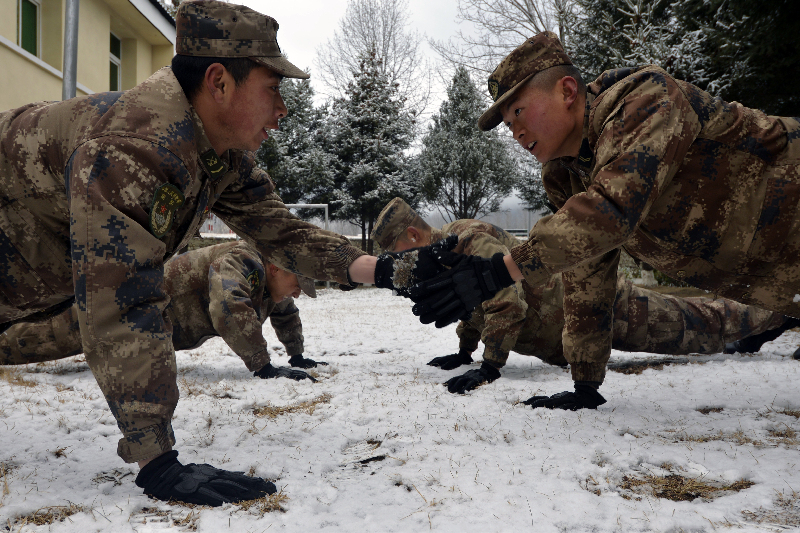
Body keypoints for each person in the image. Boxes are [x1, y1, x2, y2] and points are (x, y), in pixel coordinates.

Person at [0, 0, 451, 506]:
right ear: (219, 83)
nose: (283, 109)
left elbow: (284, 234)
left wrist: (389, 270)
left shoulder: (217, 156)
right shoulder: (135, 147)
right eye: (273, 88)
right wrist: (158, 462)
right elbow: (122, 299)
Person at [408, 31, 800, 411]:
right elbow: (586, 268)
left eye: (519, 112)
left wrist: (499, 271)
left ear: (567, 91)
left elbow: (611, 209)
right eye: (509, 124)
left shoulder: (648, 98)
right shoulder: (565, 174)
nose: (516, 132)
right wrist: (585, 382)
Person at [374, 198, 797, 395]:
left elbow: (506, 303)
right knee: (696, 326)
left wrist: (489, 366)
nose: (398, 265)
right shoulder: (443, 255)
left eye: (396, 254)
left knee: (697, 326)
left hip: (595, 311)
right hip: (569, 328)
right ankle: (764, 325)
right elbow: (471, 305)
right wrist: (464, 352)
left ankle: (782, 312)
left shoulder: (467, 239)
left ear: (412, 235)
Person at [0, 240, 326, 373]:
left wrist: (296, 354)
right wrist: (262, 366)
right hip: (126, 308)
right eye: (298, 284)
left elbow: (285, 312)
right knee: (42, 337)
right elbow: (228, 306)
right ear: (275, 268)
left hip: (147, 323)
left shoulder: (268, 285)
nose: (298, 293)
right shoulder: (243, 261)